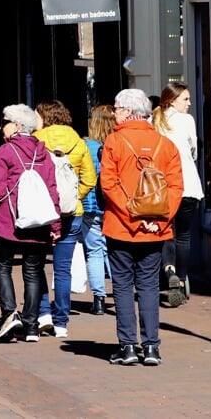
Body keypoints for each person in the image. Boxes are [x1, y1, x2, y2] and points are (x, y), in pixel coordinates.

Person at [101, 88, 182, 366]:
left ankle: (128, 347)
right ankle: (151, 348)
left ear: (126, 111)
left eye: (116, 108)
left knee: (123, 286)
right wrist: (158, 219)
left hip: (121, 227)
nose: (113, 113)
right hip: (155, 229)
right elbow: (175, 188)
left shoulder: (114, 141)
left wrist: (132, 214)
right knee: (148, 286)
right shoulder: (166, 144)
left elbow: (109, 185)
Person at [0, 104, 61, 343]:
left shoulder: (6, 151)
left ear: (17, 126)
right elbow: (52, 190)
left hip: (9, 221)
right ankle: (30, 326)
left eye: (5, 122)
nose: (1, 126)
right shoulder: (43, 153)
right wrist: (55, 226)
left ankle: (9, 315)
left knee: (3, 267)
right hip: (38, 223)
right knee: (34, 272)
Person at [34, 100, 96, 339]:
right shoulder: (79, 143)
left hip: (43, 213)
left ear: (45, 117)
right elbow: (90, 180)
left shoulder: (37, 140)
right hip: (73, 213)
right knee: (63, 269)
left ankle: (43, 314)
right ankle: (61, 321)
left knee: (36, 265)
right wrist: (72, 198)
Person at [152, 82, 202, 307]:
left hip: (164, 187)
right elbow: (193, 151)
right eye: (185, 99)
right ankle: (181, 280)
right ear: (172, 100)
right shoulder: (186, 121)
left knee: (166, 234)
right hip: (188, 186)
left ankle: (168, 270)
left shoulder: (155, 121)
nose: (189, 104)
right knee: (183, 236)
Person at [83, 104, 115, 315]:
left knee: (94, 252)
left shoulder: (86, 147)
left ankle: (99, 299)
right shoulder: (116, 145)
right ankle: (122, 292)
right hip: (113, 207)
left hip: (90, 206)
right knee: (114, 252)